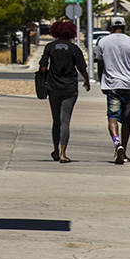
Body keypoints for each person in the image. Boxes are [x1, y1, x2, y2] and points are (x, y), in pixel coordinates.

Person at [95, 15, 130, 164]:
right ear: (125, 27)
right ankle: (123, 151)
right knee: (126, 121)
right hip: (129, 86)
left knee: (112, 117)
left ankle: (116, 143)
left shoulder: (103, 42)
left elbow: (100, 65)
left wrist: (102, 81)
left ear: (110, 27)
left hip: (113, 86)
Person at [39, 19, 90, 163]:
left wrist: (44, 77)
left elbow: (43, 66)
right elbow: (82, 68)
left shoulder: (50, 47)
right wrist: (86, 81)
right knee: (65, 120)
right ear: (71, 32)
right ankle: (63, 153)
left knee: (56, 120)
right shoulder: (74, 49)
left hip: (53, 87)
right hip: (69, 88)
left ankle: (55, 150)